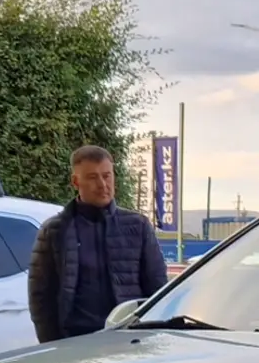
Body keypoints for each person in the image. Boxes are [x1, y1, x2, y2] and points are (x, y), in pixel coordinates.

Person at [28, 146, 169, 342]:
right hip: (75, 341)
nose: (103, 184)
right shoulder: (54, 231)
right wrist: (52, 345)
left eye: (107, 175)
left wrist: (152, 337)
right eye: (93, 177)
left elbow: (158, 287)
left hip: (128, 338)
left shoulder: (137, 226)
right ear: (76, 181)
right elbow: (41, 298)